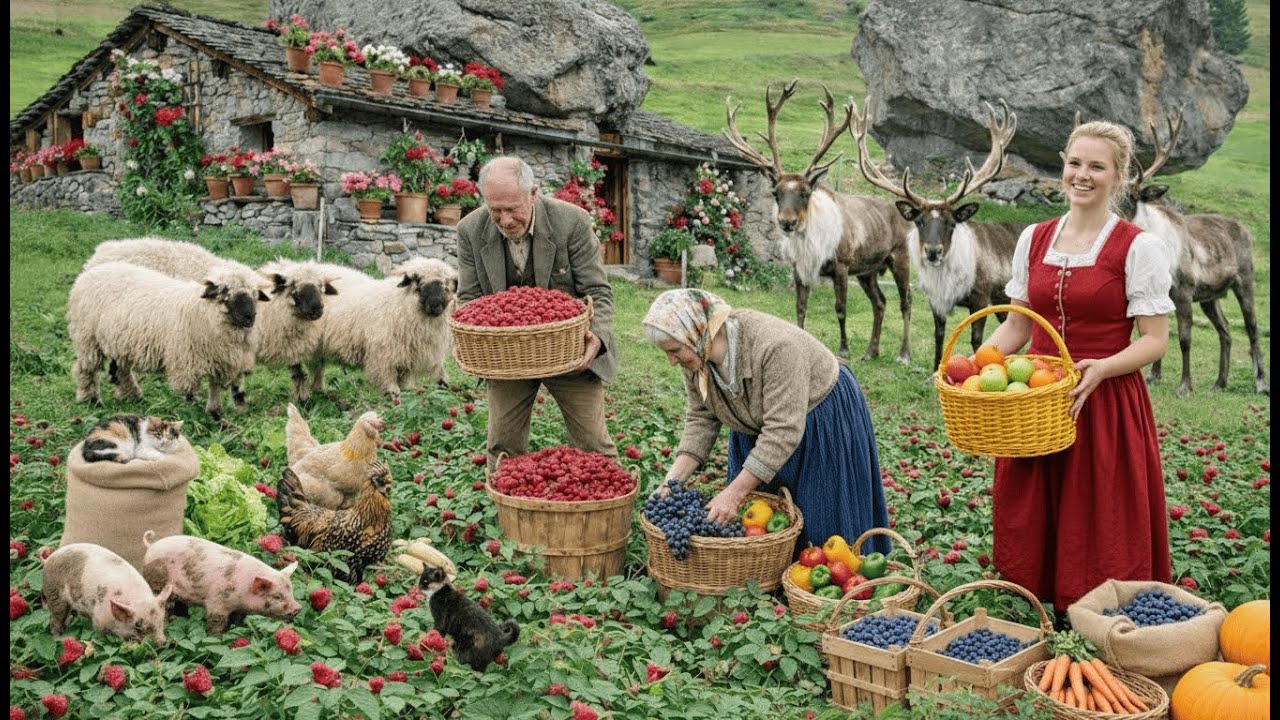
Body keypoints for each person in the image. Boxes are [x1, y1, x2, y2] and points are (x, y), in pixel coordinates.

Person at [981, 120, 1174, 615]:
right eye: (1074, 163)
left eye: (1096, 167)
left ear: (1119, 177)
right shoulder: (1035, 237)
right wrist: (977, 365)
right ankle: (1040, 604)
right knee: (1033, 507)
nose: (1082, 176)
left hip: (1104, 399)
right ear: (1062, 167)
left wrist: (1104, 368)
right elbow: (1017, 327)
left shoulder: (1138, 247)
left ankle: (1104, 614)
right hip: (1038, 400)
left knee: (1100, 513)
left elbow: (1154, 341)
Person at [642, 288, 889, 553]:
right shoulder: (696, 359)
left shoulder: (775, 347)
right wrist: (671, 482)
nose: (670, 361)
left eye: (675, 350)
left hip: (819, 413)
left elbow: (782, 432)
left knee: (823, 518)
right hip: (757, 421)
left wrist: (734, 493)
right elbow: (701, 418)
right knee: (765, 514)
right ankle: (775, 572)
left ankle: (829, 585)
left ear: (699, 332)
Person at [456, 156, 617, 464]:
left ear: (533, 193)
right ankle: (510, 509)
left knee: (593, 445)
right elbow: (470, 298)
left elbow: (597, 291)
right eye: (495, 210)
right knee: (502, 446)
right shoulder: (470, 231)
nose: (505, 220)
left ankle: (606, 511)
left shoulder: (572, 222)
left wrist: (596, 337)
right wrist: (468, 339)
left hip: (570, 352)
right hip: (505, 355)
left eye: (512, 208)